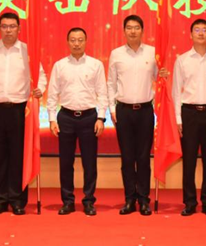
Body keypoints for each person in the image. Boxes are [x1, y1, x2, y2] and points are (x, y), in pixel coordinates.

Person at [0, 12, 46, 216]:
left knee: (18, 156)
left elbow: (41, 76)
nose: (8, 30)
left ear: (19, 29)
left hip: (20, 110)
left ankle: (17, 200)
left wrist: (40, 89)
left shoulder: (27, 51)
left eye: (12, 26)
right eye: (4, 26)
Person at [47, 27, 107, 216]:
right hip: (65, 117)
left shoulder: (96, 65)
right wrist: (51, 119)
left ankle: (89, 201)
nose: (76, 43)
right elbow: (52, 93)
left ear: (86, 41)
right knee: (66, 162)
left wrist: (101, 118)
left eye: (80, 40)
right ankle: (68, 201)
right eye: (73, 40)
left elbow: (102, 93)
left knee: (89, 162)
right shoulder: (60, 65)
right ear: (68, 42)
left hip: (89, 117)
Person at [172, 18, 206, 217]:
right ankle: (190, 201)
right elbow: (176, 91)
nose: (201, 33)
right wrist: (178, 119)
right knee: (189, 160)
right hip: (189, 114)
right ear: (190, 34)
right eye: (197, 30)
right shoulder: (182, 60)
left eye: (204, 30)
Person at [107, 15, 158, 216]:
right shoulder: (116, 54)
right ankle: (129, 199)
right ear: (124, 31)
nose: (133, 31)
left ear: (142, 30)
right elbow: (110, 83)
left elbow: (160, 80)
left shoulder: (153, 52)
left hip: (145, 111)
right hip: (124, 112)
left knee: (143, 157)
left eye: (136, 27)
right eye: (129, 28)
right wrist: (112, 109)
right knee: (127, 157)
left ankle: (144, 199)